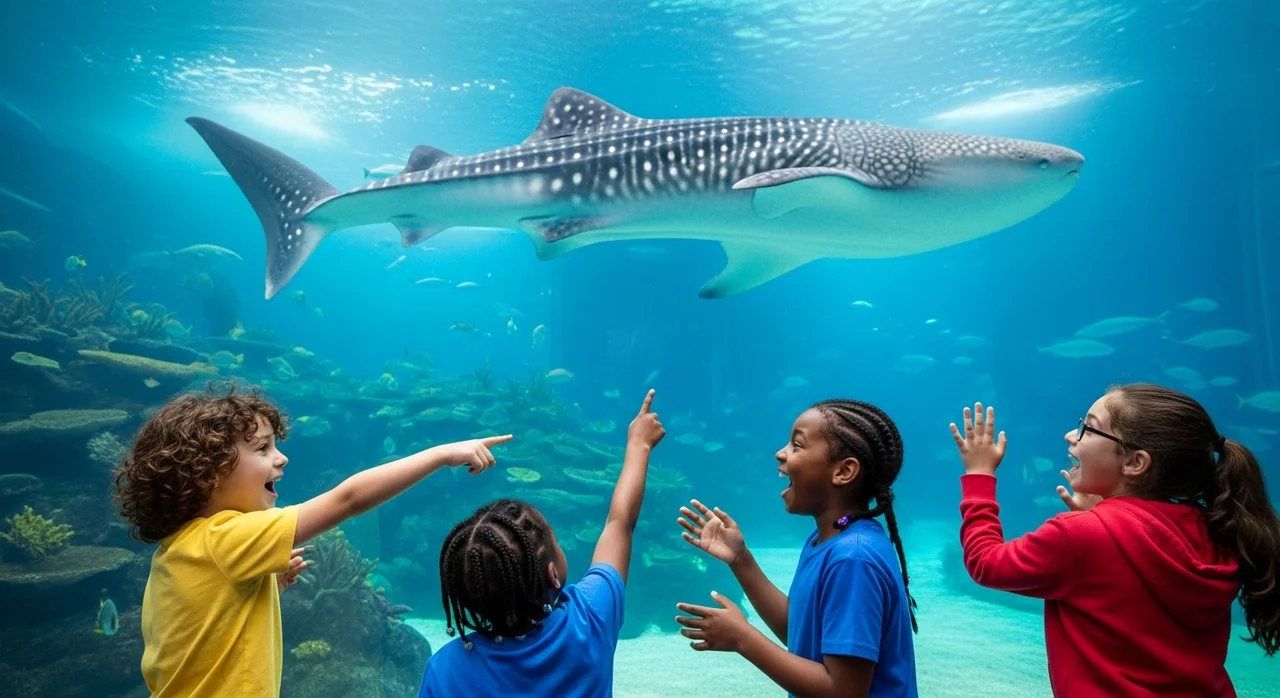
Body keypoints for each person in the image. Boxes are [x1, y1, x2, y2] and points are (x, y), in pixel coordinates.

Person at [113, 384, 511, 698]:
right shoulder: (224, 537)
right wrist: (440, 455)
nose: (281, 458)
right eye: (262, 448)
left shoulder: (178, 551)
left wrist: (263, 585)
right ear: (206, 475)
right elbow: (349, 499)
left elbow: (200, 634)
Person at [950, 385, 1280, 698]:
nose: (1070, 436)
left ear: (1135, 462)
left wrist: (980, 475)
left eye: (1088, 429)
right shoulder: (1218, 531)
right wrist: (1106, 516)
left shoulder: (1077, 537)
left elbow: (985, 563)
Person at [418, 389, 666, 698]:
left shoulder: (444, 671)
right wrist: (639, 445)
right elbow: (620, 523)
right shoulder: (590, 618)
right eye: (556, 540)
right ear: (553, 574)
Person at [674, 399, 919, 698]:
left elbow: (842, 691)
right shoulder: (829, 540)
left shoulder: (853, 559)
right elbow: (803, 633)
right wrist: (741, 560)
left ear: (843, 471)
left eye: (796, 445)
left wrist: (743, 639)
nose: (780, 453)